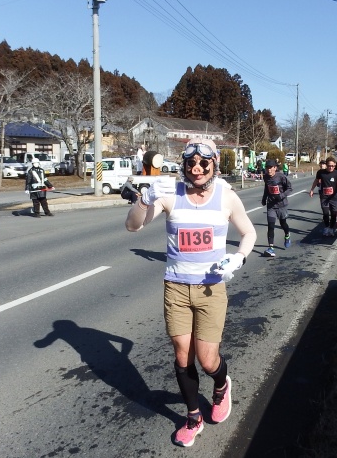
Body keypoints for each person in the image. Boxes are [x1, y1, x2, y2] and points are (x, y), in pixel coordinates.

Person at [124, 138, 257, 447]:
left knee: (208, 360)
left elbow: (249, 232)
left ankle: (221, 386)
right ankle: (194, 417)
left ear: (214, 164)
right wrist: (144, 199)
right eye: (191, 162)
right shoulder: (170, 194)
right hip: (176, 288)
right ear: (184, 165)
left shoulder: (227, 196)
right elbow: (132, 226)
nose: (197, 167)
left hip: (211, 290)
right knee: (183, 356)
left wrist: (239, 257)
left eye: (204, 162)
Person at [261, 159, 292, 257]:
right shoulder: (266, 177)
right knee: (270, 226)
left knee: (283, 224)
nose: (269, 170)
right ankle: (271, 248)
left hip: (281, 205)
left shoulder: (281, 177)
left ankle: (287, 234)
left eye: (270, 168)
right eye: (267, 168)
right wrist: (264, 198)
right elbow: (266, 188)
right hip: (271, 205)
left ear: (275, 168)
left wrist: (282, 196)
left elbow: (290, 188)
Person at [309, 155, 337, 237]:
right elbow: (316, 181)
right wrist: (312, 190)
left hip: (333, 197)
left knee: (333, 214)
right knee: (325, 213)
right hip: (324, 196)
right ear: (326, 165)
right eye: (329, 166)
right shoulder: (321, 172)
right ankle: (326, 227)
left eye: (332, 166)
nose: (331, 167)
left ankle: (331, 228)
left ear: (335, 165)